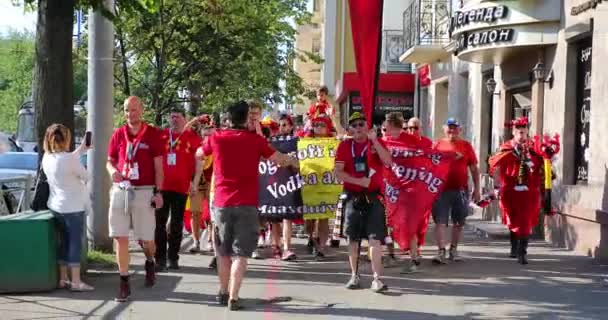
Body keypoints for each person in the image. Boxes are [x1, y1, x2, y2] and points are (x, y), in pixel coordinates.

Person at [200, 100, 295, 310]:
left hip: (222, 203)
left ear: (229, 117)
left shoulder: (217, 137)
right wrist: (295, 161)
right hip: (247, 203)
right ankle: (234, 297)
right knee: (241, 254)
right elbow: (278, 159)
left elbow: (199, 154)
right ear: (246, 118)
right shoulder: (254, 141)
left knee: (223, 252)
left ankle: (222, 293)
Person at [107, 96, 164, 302]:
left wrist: (159, 192)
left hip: (144, 190)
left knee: (147, 238)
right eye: (126, 110)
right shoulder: (118, 134)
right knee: (120, 236)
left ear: (141, 110)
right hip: (121, 189)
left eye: (133, 110)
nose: (129, 114)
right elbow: (110, 161)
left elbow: (159, 167)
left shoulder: (153, 135)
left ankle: (150, 260)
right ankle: (124, 281)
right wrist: (112, 171)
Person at [335, 112, 393, 293]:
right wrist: (359, 181)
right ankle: (354, 275)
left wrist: (375, 141)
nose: (358, 128)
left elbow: (388, 162)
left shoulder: (376, 144)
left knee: (375, 240)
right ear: (350, 129)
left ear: (367, 127)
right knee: (353, 240)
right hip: (353, 197)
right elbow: (338, 172)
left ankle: (377, 279)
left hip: (374, 197)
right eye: (355, 125)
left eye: (361, 124)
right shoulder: (345, 146)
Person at [42, 124, 93, 292]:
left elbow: (65, 160)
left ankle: (63, 279)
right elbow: (87, 176)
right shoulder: (69, 160)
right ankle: (76, 282)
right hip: (73, 207)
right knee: (75, 244)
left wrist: (80, 150)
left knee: (63, 242)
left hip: (56, 206)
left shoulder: (47, 157)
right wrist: (79, 156)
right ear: (66, 139)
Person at [489, 117, 544, 264]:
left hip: (529, 191)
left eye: (524, 133)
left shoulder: (533, 148)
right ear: (514, 132)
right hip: (510, 189)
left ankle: (522, 252)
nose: (522, 136)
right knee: (513, 218)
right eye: (519, 132)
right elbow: (496, 166)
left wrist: (538, 160)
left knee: (525, 219)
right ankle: (514, 247)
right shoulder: (506, 147)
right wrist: (496, 187)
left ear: (527, 133)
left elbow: (540, 166)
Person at [155, 108, 203, 271]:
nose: (174, 119)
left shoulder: (192, 138)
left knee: (176, 223)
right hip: (161, 187)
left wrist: (195, 182)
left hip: (181, 187)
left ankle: (173, 258)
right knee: (159, 223)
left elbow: (199, 163)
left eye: (177, 117)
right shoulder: (161, 136)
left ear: (185, 118)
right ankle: (159, 258)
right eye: (172, 116)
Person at [431, 118, 480, 264]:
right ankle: (441, 251)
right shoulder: (437, 144)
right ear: (444, 129)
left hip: (460, 190)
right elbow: (429, 165)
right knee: (440, 221)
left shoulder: (466, 146)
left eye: (455, 128)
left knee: (458, 222)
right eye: (449, 127)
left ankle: (453, 250)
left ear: (460, 129)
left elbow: (474, 169)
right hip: (440, 190)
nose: (452, 130)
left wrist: (477, 189)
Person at [304, 115, 335, 259]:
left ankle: (321, 247)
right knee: (310, 218)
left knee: (323, 217)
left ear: (328, 126)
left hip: (326, 184)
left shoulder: (333, 142)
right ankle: (311, 237)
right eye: (316, 124)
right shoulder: (306, 140)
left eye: (322, 125)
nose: (319, 127)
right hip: (310, 183)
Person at [188, 115, 215, 255]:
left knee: (212, 214)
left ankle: (211, 240)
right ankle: (195, 241)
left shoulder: (218, 143)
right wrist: (195, 119)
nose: (208, 135)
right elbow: (183, 132)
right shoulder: (195, 144)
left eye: (211, 132)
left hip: (213, 181)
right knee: (195, 212)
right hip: (196, 181)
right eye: (205, 132)